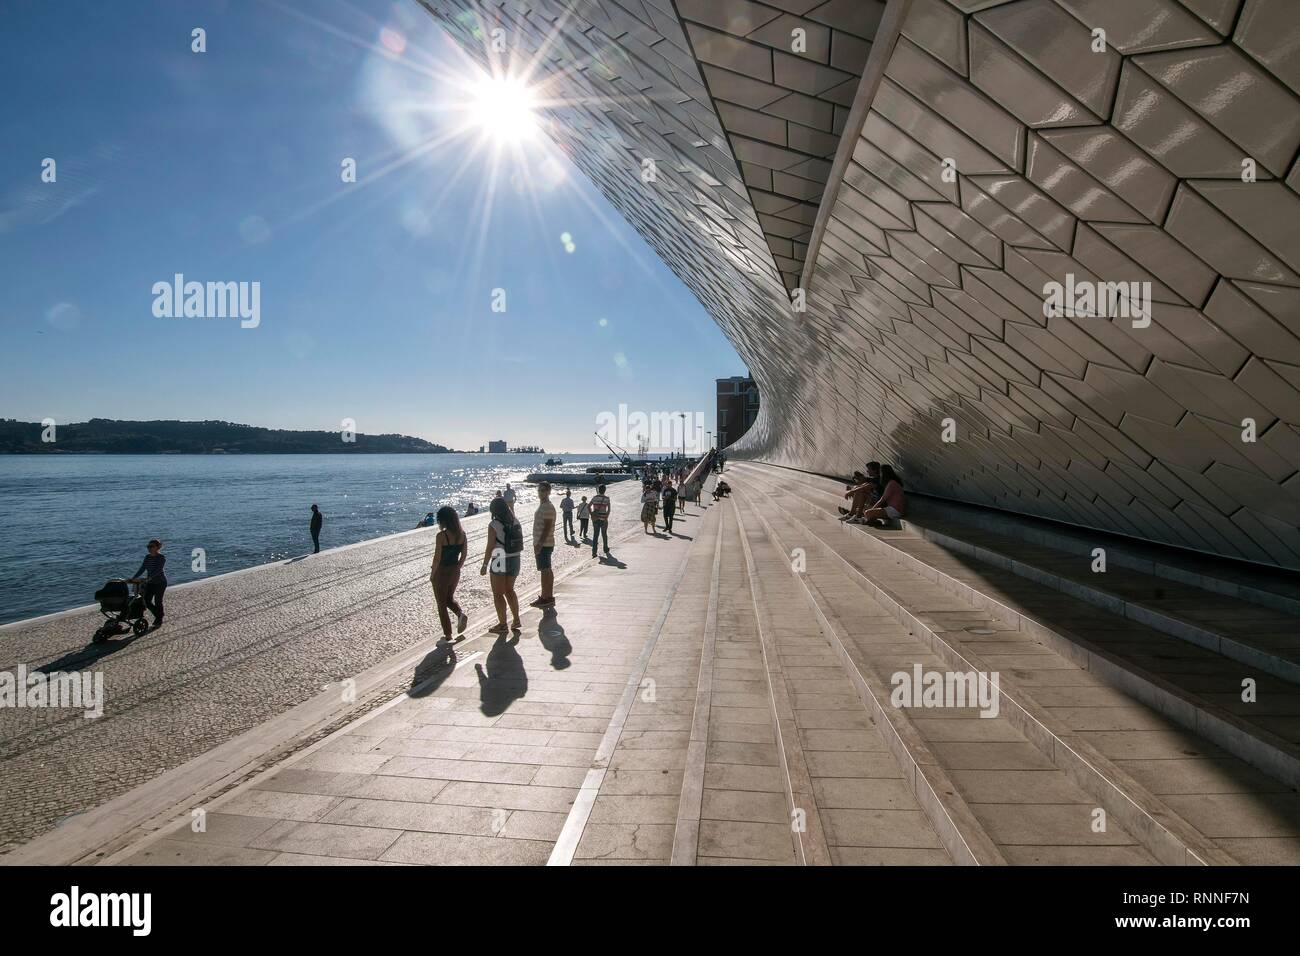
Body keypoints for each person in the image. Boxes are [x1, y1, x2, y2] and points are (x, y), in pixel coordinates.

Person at [481, 497, 522, 634]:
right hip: (515, 557)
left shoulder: (493, 524)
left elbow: (490, 546)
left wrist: (485, 564)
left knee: (498, 593)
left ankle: (503, 624)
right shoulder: (515, 520)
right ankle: (516, 619)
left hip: (499, 557)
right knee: (510, 590)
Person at [430, 506, 469, 644]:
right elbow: (464, 555)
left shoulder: (441, 536)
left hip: (442, 571)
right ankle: (460, 614)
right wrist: (457, 568)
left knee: (441, 604)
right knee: (448, 599)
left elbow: (437, 557)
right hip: (455, 571)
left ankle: (447, 635)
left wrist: (433, 574)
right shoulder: (462, 535)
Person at [131, 539, 167, 629]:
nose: (149, 548)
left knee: (158, 601)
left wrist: (149, 578)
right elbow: (142, 568)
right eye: (148, 547)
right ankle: (159, 615)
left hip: (160, 582)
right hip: (150, 583)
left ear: (157, 547)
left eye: (151, 546)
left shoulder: (161, 557)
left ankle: (158, 619)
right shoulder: (147, 557)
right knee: (146, 601)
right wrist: (134, 578)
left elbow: (159, 570)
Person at [531, 481, 557, 608]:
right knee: (547, 570)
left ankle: (545, 597)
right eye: (539, 490)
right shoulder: (545, 505)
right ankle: (548, 596)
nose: (540, 493)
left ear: (548, 492)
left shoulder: (547, 506)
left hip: (544, 544)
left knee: (545, 571)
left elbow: (547, 527)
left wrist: (539, 544)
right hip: (546, 543)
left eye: (543, 490)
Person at [589, 483, 611, 557]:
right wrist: (606, 517)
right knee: (604, 534)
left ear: (598, 490)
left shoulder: (594, 498)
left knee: (595, 535)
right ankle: (605, 548)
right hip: (603, 519)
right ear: (605, 490)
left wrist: (592, 514)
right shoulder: (607, 498)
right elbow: (608, 510)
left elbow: (588, 506)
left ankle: (594, 552)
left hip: (595, 519)